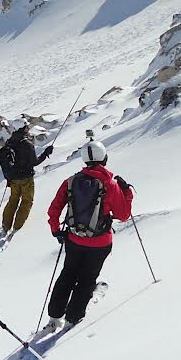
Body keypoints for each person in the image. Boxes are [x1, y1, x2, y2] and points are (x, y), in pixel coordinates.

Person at [43, 141, 133, 332]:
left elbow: (54, 209)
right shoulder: (110, 184)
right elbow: (123, 214)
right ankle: (73, 317)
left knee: (67, 274)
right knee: (87, 279)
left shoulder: (71, 181)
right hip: (100, 243)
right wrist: (127, 193)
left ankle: (54, 316)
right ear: (104, 158)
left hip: (74, 239)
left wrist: (55, 229)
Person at [0, 118, 53, 238]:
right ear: (23, 128)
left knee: (13, 200)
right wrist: (46, 153)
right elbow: (34, 162)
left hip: (13, 179)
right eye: (27, 127)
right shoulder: (26, 143)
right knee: (27, 201)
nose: (28, 129)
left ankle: (5, 226)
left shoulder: (9, 142)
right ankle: (17, 228)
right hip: (26, 177)